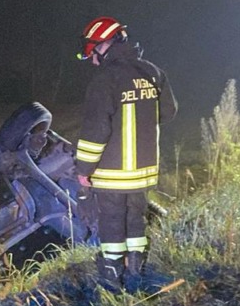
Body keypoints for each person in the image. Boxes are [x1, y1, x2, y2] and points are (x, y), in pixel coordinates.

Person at [74, 16, 178, 288]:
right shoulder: (153, 72)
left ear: (103, 44)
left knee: (111, 222)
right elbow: (168, 112)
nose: (91, 57)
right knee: (136, 218)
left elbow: (96, 131)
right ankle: (135, 269)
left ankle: (111, 275)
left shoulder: (105, 79)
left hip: (112, 172)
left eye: (91, 50)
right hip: (143, 172)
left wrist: (83, 170)